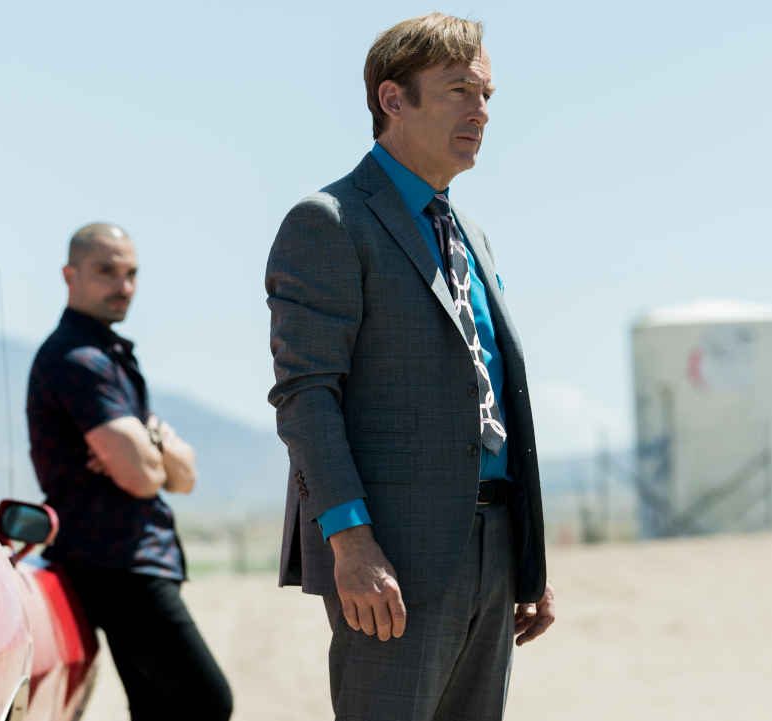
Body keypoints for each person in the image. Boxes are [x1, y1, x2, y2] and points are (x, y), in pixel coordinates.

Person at [265, 13, 554, 721]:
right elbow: (307, 397)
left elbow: (492, 394)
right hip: (391, 558)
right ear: (393, 99)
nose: (480, 112)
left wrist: (527, 557)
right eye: (459, 91)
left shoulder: (470, 233)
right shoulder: (329, 221)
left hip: (494, 551)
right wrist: (352, 541)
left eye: (486, 95)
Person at [27, 222, 232, 721]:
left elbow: (185, 478)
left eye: (132, 274)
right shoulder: (78, 360)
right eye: (106, 272)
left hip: (132, 558)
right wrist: (151, 450)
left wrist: (147, 445)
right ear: (69, 275)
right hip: (116, 562)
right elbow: (142, 478)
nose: (124, 287)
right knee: (206, 702)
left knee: (159, 709)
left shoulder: (106, 356)